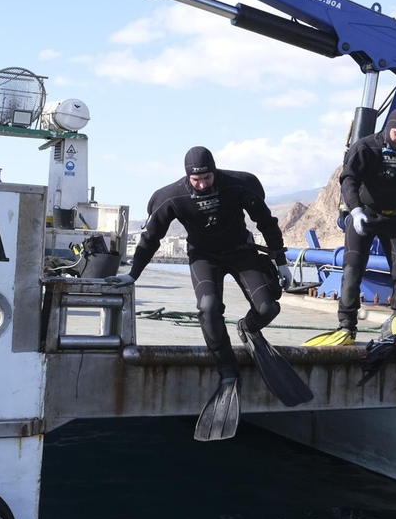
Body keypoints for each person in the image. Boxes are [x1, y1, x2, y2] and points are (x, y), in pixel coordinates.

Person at [113, 146, 310, 439]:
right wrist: (132, 274)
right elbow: (151, 238)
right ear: (187, 177)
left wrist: (281, 262)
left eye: (207, 177)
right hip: (204, 257)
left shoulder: (237, 185)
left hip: (241, 251)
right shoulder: (172, 197)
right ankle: (228, 373)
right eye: (197, 180)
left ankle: (248, 328)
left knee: (269, 308)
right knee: (208, 307)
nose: (203, 184)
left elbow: (266, 222)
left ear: (214, 171)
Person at [308, 107, 396, 346]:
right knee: (352, 271)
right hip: (364, 216)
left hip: (393, 218)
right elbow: (349, 179)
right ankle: (347, 326)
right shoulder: (365, 147)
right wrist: (355, 209)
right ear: (388, 128)